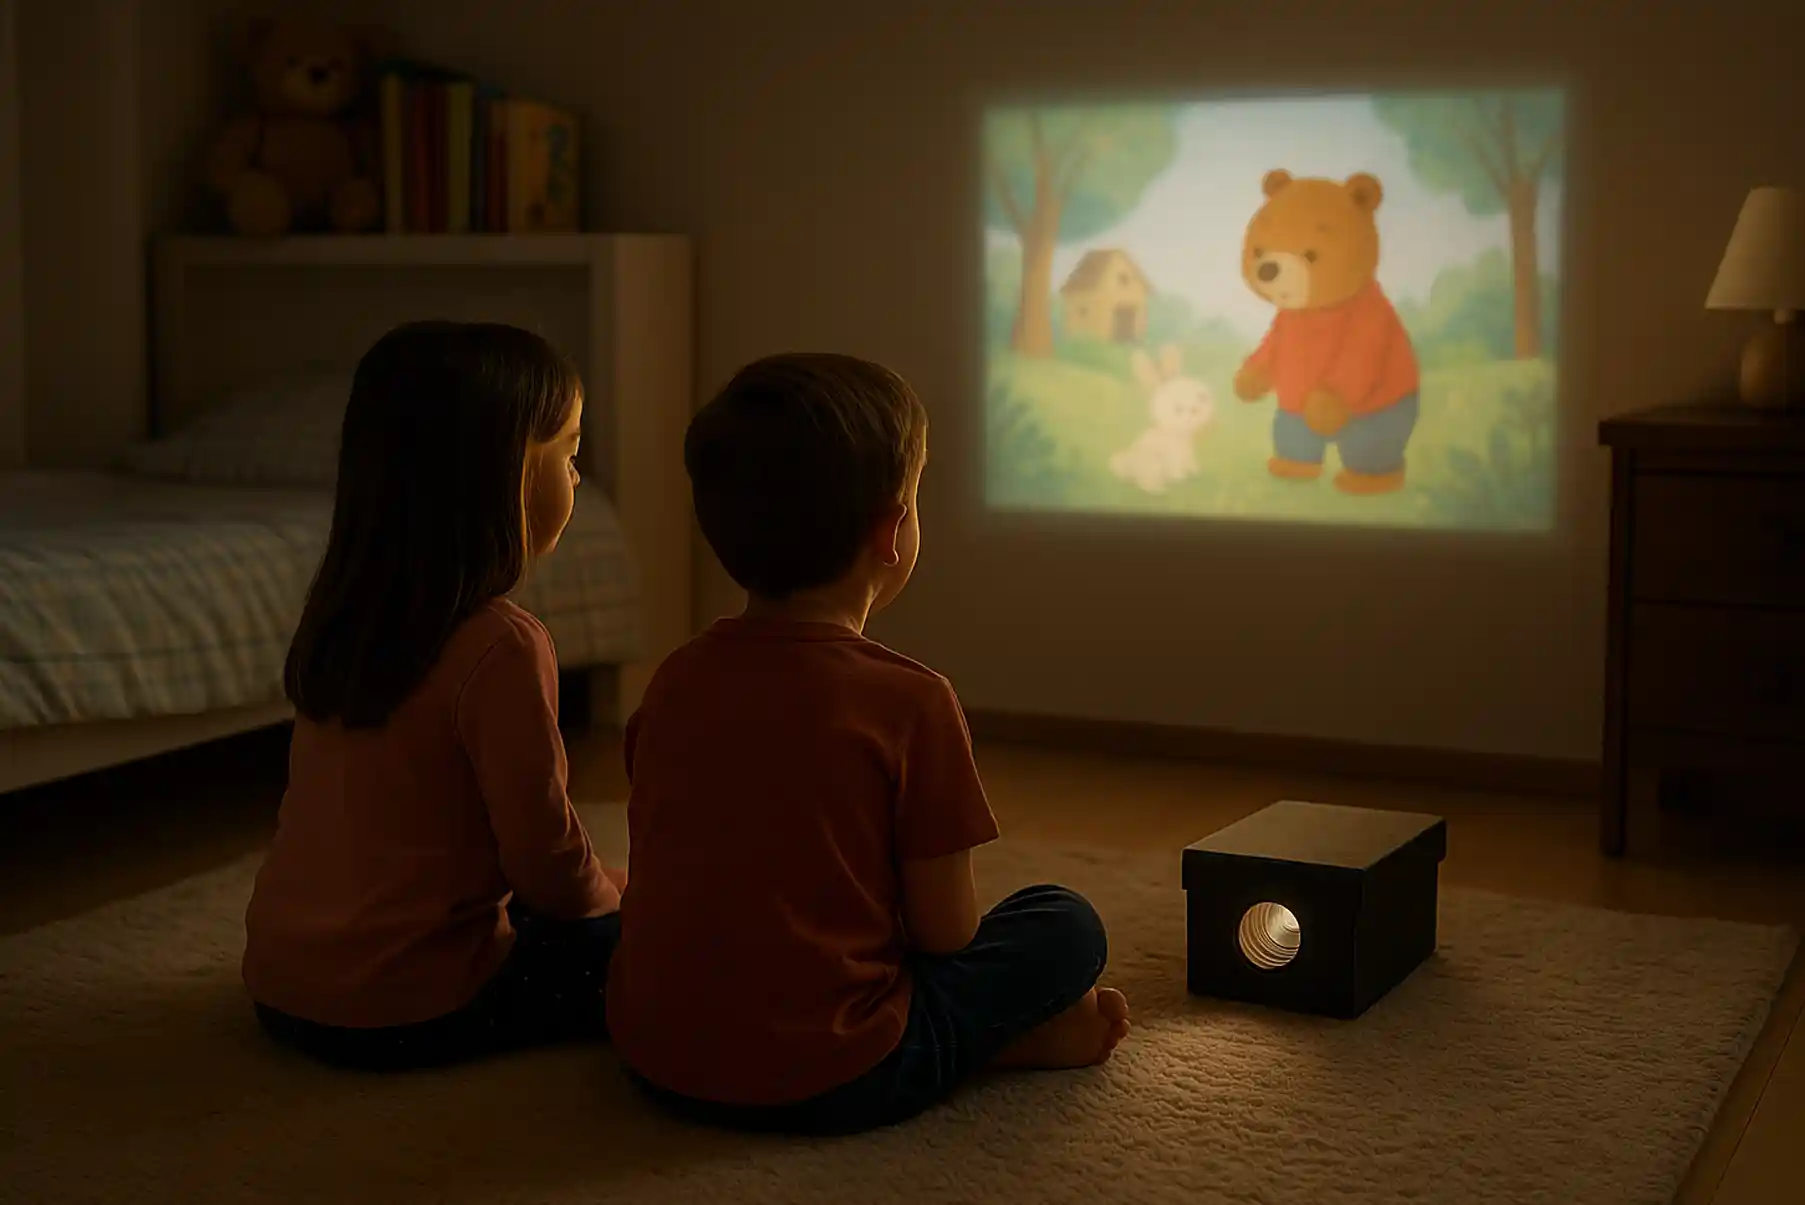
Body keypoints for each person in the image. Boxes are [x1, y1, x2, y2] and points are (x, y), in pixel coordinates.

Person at [607, 352, 1131, 1135]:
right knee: (1065, 924)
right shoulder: (911, 699)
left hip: (655, 1055)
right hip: (832, 1076)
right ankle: (989, 1046)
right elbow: (945, 933)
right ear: (892, 531)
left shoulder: (674, 680)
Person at [242, 321, 625, 1072]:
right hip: (410, 1010)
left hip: (282, 989)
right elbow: (544, 864)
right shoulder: (502, 646)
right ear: (505, 474)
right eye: (569, 454)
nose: (578, 478)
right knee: (663, 940)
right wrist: (617, 905)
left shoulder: (341, 613)